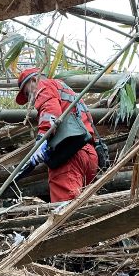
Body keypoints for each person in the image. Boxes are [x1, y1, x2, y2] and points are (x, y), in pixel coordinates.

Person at [15, 67, 99, 202]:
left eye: (27, 93)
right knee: (81, 208)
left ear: (33, 80)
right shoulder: (65, 89)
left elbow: (50, 110)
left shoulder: (43, 85)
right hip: (89, 154)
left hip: (70, 156)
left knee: (65, 211)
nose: (29, 98)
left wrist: (41, 139)